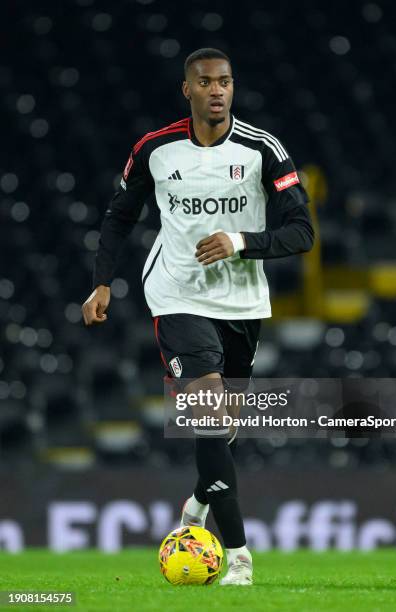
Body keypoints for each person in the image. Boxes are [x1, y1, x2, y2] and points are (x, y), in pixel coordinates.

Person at [82, 47, 314, 585]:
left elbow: (302, 234)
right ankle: (237, 557)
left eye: (226, 82)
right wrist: (100, 281)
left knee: (222, 430)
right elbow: (120, 216)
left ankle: (197, 505)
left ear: (234, 87)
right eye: (206, 82)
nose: (217, 91)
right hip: (176, 293)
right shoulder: (155, 149)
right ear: (187, 89)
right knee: (209, 417)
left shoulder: (263, 150)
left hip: (241, 302)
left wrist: (238, 240)